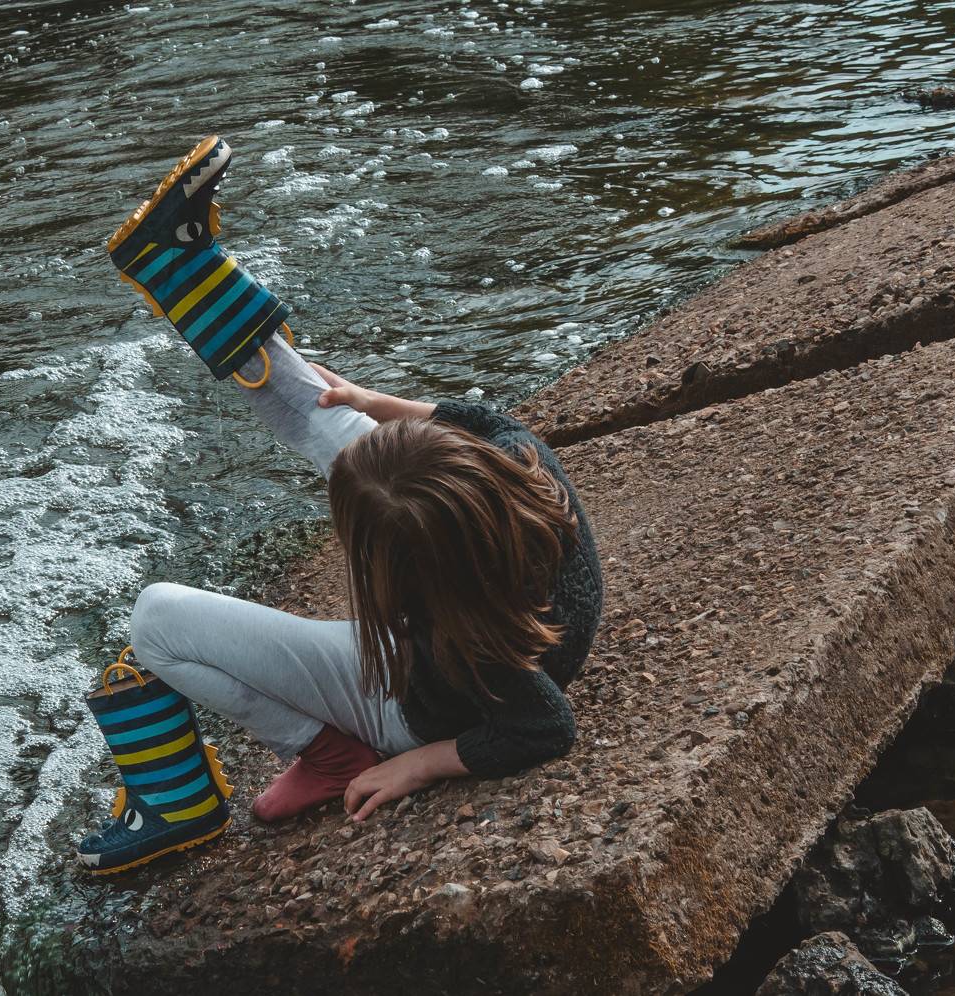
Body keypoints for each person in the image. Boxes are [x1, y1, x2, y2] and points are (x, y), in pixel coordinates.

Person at [77, 136, 601, 873]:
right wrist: (371, 401)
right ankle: (177, 262)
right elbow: (470, 417)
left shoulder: (462, 641)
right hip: (479, 594)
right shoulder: (517, 460)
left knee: (156, 621)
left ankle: (320, 755)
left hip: (415, 710)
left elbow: (546, 725)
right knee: (325, 410)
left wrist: (421, 763)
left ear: (399, 576)